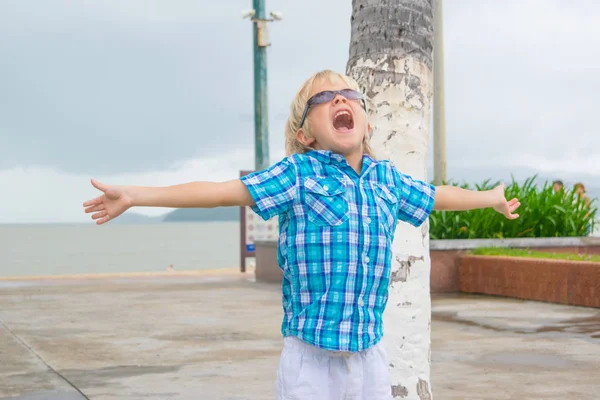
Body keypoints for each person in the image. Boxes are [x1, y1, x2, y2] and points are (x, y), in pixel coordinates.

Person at [83, 70, 520, 400]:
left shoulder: (387, 180)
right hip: (311, 357)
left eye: (350, 96)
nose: (339, 100)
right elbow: (220, 192)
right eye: (324, 98)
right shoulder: (298, 174)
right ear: (305, 133)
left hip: (369, 355)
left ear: (366, 122)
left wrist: (491, 197)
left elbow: (437, 195)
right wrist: (137, 195)